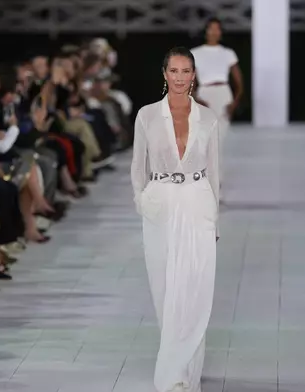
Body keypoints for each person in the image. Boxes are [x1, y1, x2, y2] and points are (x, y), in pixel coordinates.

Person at [131, 46, 220, 392]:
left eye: (186, 71)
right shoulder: (147, 116)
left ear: (194, 75)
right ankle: (178, 363)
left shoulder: (208, 119)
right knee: (165, 290)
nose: (180, 78)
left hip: (198, 203)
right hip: (161, 204)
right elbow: (138, 166)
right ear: (164, 74)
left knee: (196, 290)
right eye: (174, 71)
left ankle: (179, 375)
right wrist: (143, 202)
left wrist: (215, 220)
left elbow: (215, 173)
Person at [191, 17, 243, 143]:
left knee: (221, 136)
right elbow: (189, 82)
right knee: (203, 136)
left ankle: (220, 162)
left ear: (221, 32)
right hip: (204, 93)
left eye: (217, 29)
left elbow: (239, 83)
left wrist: (234, 103)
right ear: (206, 31)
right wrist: (195, 99)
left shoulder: (228, 53)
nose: (214, 32)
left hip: (223, 93)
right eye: (211, 29)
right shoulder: (195, 53)